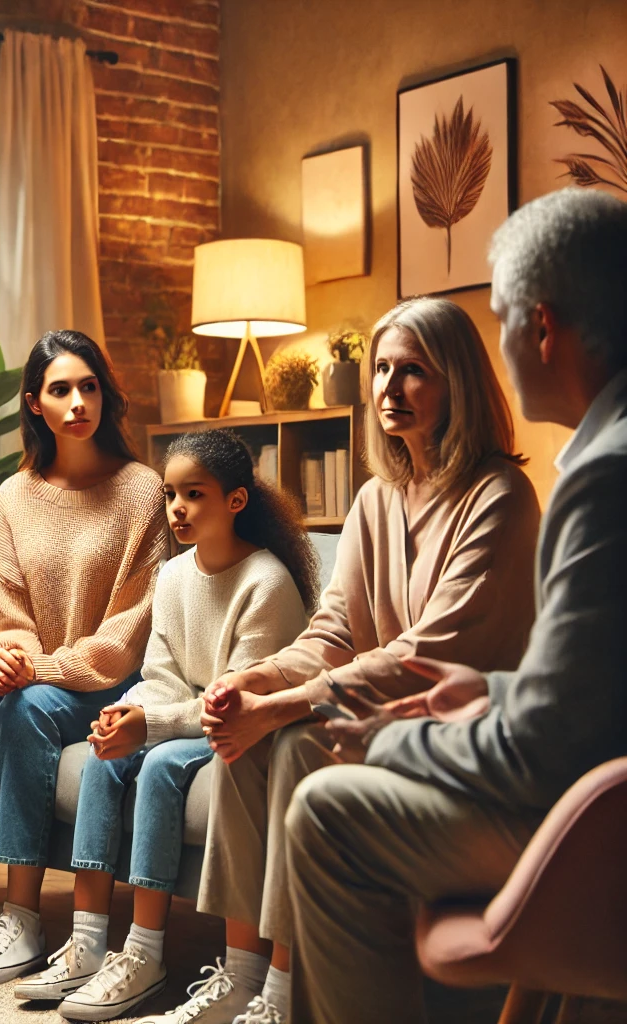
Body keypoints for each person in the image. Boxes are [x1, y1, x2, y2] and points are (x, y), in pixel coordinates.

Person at [285, 188, 627, 1024]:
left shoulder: (600, 478)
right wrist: (489, 694)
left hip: (596, 818)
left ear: (540, 328)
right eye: (382, 369)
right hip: (586, 778)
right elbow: (589, 688)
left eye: (503, 319)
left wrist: (399, 739)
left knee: (326, 812)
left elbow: (549, 749)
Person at [177, 297, 541, 1024]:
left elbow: (426, 654)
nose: (388, 387)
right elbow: (333, 631)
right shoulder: (376, 498)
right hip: (377, 716)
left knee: (298, 740)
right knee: (242, 742)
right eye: (380, 369)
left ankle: (285, 993)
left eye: (413, 371)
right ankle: (244, 978)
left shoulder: (500, 495)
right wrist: (253, 681)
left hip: (457, 739)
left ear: (458, 382)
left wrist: (282, 705)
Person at [12, 429, 321, 1022]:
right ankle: (88, 944)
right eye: (172, 494)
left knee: (155, 763)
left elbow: (234, 700)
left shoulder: (266, 582)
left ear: (235, 500)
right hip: (182, 713)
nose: (178, 508)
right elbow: (161, 673)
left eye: (195, 494)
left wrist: (149, 725)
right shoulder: (174, 576)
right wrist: (127, 713)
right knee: (106, 751)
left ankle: (146, 953)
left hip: (238, 725)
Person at [0, 329, 167, 986]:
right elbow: (6, 606)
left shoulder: (143, 490)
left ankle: (21, 916)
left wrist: (40, 669)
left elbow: (131, 629)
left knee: (25, 704)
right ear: (35, 403)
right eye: (61, 389)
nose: (77, 401)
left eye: (89, 386)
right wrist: (7, 655)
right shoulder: (17, 494)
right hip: (37, 674)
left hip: (110, 683)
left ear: (104, 397)